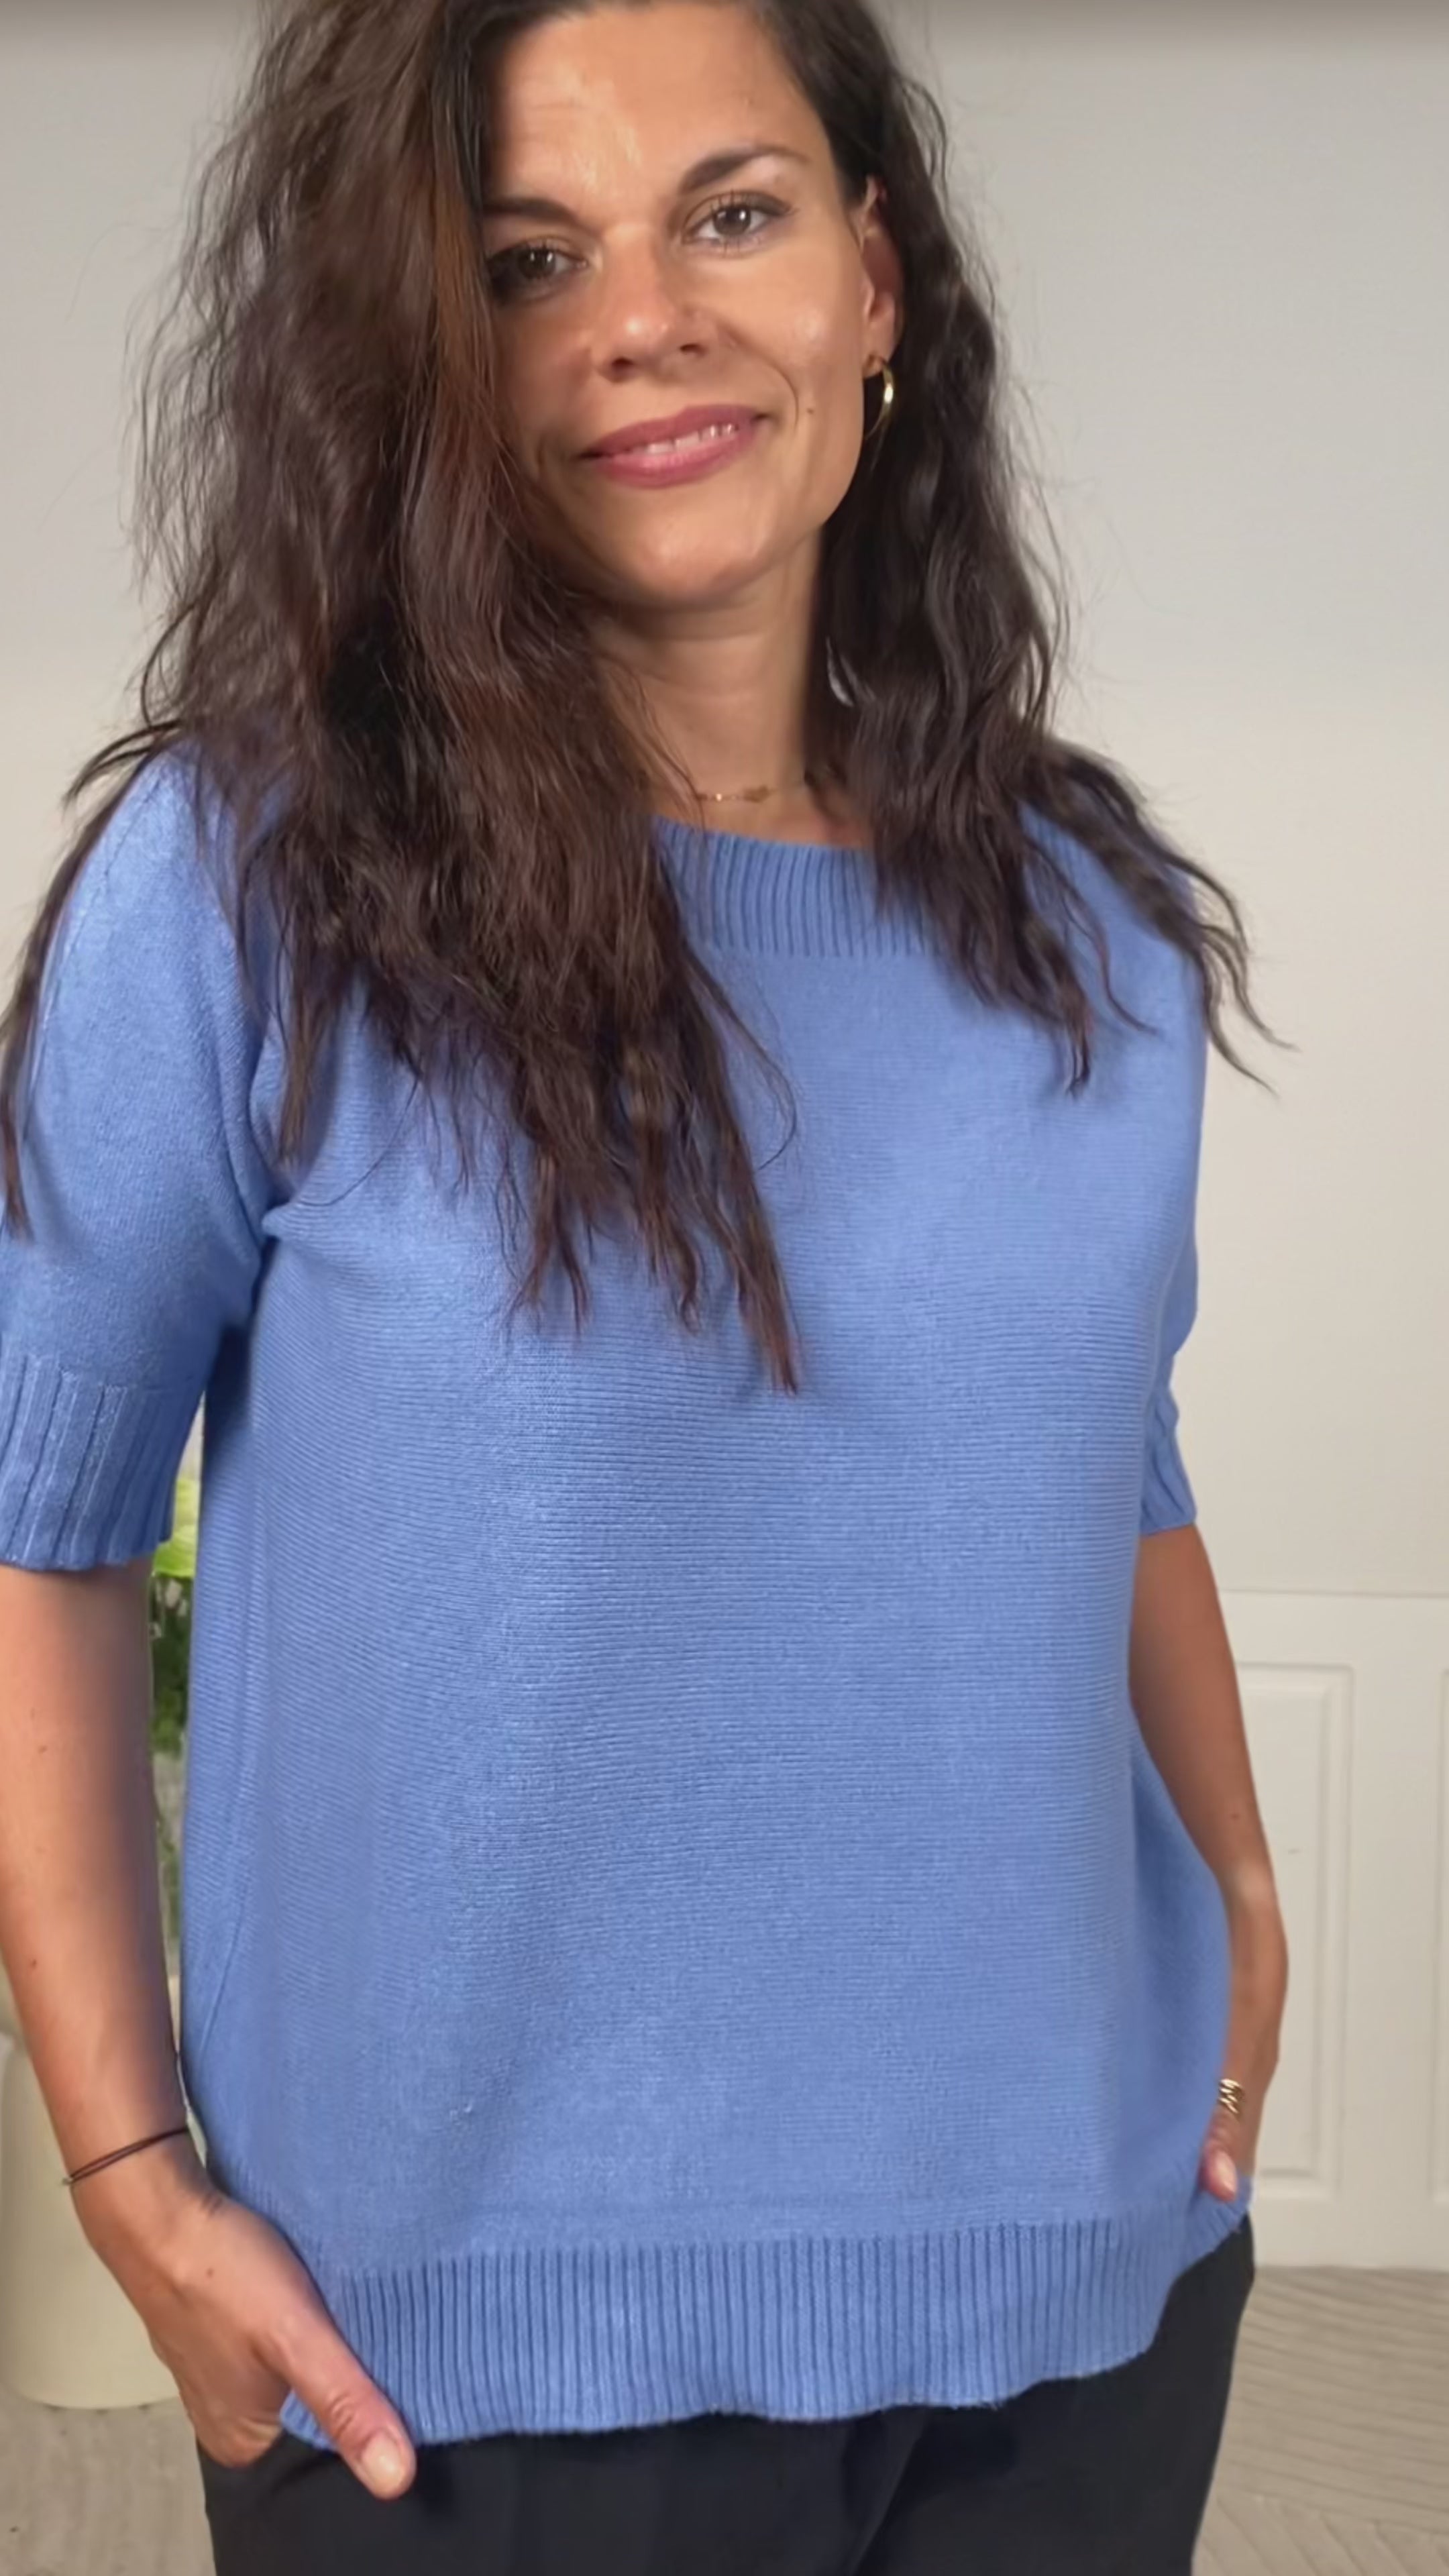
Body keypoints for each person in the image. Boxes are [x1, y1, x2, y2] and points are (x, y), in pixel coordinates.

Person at [0, 0, 1291, 2567]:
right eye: (527, 260)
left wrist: (1245, 1889)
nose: (645, 320)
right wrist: (129, 2168)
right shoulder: (248, 888)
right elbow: (41, 1528)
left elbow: (1109, 1465)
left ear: (873, 281)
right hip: (461, 2373)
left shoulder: (1093, 927)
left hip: (1085, 2303)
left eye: (734, 213)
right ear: (421, 356)